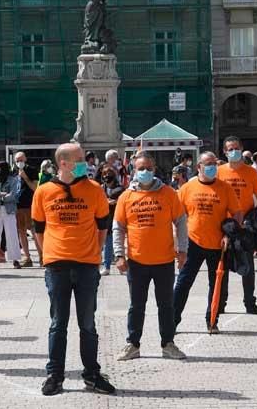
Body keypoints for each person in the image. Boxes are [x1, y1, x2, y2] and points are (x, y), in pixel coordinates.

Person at [31, 143, 115, 396]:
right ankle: (55, 375)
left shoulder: (94, 189)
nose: (85, 163)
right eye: (79, 159)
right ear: (64, 163)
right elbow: (38, 229)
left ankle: (91, 373)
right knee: (58, 322)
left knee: (87, 323)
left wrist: (94, 252)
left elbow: (103, 226)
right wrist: (49, 255)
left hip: (87, 265)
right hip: (57, 265)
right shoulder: (44, 191)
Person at [113, 151, 188, 361]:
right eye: (140, 168)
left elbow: (181, 222)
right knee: (136, 305)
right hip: (136, 262)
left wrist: (183, 250)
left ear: (155, 170)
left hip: (164, 260)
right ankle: (133, 344)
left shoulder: (168, 193)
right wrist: (119, 255)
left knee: (166, 305)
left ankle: (168, 343)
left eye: (148, 168)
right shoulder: (126, 197)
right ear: (133, 170)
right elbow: (118, 228)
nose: (145, 171)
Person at [173, 151, 241, 333]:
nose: (212, 167)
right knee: (183, 283)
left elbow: (237, 213)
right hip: (192, 243)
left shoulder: (225, 188)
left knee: (217, 284)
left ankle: (212, 320)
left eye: (214, 164)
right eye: (207, 164)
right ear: (198, 167)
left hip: (219, 245)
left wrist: (230, 234)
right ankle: (172, 321)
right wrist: (178, 244)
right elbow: (178, 217)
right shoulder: (187, 188)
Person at [217, 136, 257, 314]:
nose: (233, 151)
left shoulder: (252, 172)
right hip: (223, 226)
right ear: (224, 151)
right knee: (223, 266)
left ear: (242, 148)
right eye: (230, 148)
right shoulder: (219, 172)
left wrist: (253, 217)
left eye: (236, 148)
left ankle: (249, 302)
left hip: (244, 225)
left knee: (248, 266)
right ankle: (221, 303)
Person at [0, 161, 21, 268]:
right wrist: (0, 194)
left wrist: (1, 196)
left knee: (12, 235)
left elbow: (14, 195)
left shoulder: (13, 180)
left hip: (9, 210)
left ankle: (15, 259)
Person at [14, 151, 41, 267]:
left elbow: (35, 188)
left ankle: (42, 256)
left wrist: (25, 178)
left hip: (30, 205)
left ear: (25, 159)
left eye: (21, 160)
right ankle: (27, 257)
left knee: (34, 231)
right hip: (18, 206)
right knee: (21, 232)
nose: (19, 162)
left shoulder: (32, 170)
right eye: (17, 161)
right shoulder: (13, 172)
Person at [100, 164, 123, 276]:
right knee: (107, 244)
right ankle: (107, 266)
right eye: (104, 174)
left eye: (109, 174)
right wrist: (106, 201)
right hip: (106, 220)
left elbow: (123, 200)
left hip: (117, 219)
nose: (106, 176)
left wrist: (116, 201)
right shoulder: (100, 188)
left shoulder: (120, 189)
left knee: (119, 243)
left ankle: (121, 264)